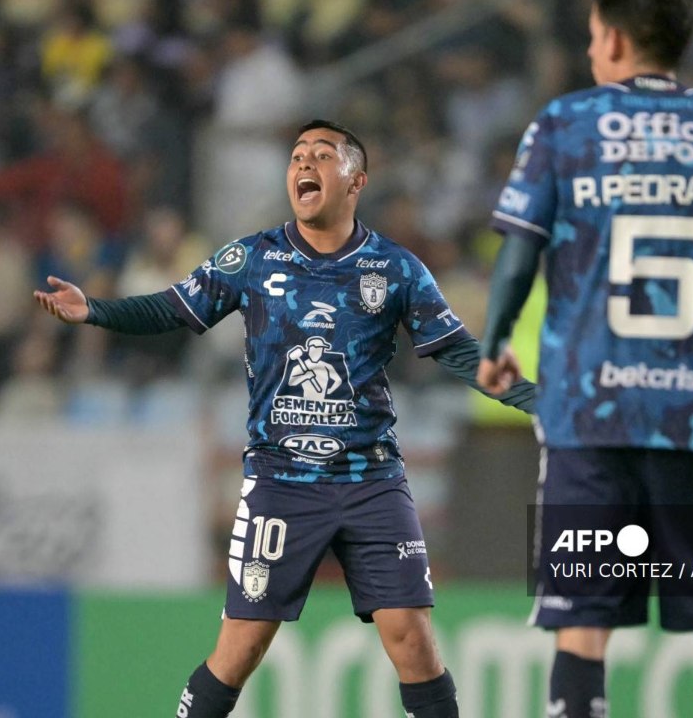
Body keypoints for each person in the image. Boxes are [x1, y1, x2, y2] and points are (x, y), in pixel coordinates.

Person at [35, 119, 536, 718]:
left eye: (323, 155)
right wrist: (94, 310)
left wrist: (539, 402)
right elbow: (172, 308)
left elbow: (458, 351)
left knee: (412, 638)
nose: (305, 163)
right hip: (280, 483)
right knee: (241, 647)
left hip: (372, 480)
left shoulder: (395, 268)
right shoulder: (251, 257)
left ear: (356, 180)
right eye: (297, 154)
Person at [476, 0, 693, 716]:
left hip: (588, 419)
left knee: (582, 627)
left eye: (594, 35)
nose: (593, 49)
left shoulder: (565, 124)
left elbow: (517, 257)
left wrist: (497, 341)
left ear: (616, 37)